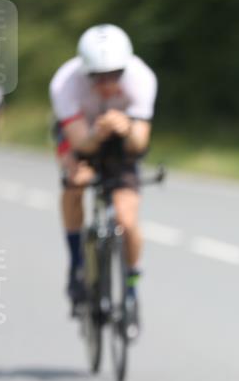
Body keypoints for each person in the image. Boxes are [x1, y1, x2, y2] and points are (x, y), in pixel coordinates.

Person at [48, 24, 157, 333]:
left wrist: (126, 130)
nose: (107, 83)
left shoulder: (141, 78)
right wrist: (97, 133)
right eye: (98, 76)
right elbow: (79, 143)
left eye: (115, 74)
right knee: (76, 182)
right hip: (81, 134)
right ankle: (76, 264)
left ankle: (132, 291)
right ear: (85, 72)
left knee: (127, 217)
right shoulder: (65, 84)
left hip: (122, 141)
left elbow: (140, 144)